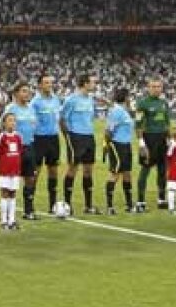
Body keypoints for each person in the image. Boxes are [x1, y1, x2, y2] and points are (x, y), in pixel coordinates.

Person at [62, 75, 100, 215]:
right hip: (75, 137)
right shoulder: (71, 99)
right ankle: (67, 205)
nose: (94, 84)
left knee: (88, 170)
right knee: (72, 169)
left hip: (89, 136)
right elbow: (62, 119)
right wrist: (68, 137)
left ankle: (88, 205)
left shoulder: (90, 99)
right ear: (85, 84)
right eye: (92, 82)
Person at [2, 82, 38, 220]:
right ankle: (10, 214)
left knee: (30, 179)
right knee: (13, 180)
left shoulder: (31, 109)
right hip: (15, 149)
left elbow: (34, 125)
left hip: (30, 146)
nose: (27, 94)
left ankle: (28, 210)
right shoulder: (11, 108)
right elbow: (2, 126)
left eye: (28, 91)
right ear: (16, 93)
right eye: (23, 91)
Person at [135, 77, 171, 212]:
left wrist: (170, 139)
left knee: (162, 171)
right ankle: (140, 201)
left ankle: (161, 199)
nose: (156, 89)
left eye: (158, 86)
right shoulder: (142, 103)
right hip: (149, 139)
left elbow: (167, 123)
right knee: (145, 169)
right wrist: (141, 143)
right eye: (153, 86)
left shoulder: (164, 103)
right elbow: (138, 124)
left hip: (162, 139)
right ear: (148, 88)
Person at [30, 74, 63, 214]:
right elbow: (31, 121)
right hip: (39, 139)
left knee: (53, 171)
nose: (49, 85)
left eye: (51, 82)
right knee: (35, 172)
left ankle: (52, 204)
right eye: (46, 83)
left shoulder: (56, 99)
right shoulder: (35, 102)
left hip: (53, 139)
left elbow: (58, 118)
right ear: (40, 85)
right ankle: (29, 203)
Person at [104, 86, 135, 215]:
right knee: (115, 173)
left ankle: (129, 204)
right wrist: (107, 145)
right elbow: (108, 130)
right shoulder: (116, 111)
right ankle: (110, 206)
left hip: (126, 144)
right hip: (117, 145)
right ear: (126, 98)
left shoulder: (123, 110)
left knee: (127, 173)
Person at [0, 113, 24, 231]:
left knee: (13, 194)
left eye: (14, 120)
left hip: (15, 171)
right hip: (4, 171)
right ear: (4, 123)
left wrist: (18, 168)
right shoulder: (1, 137)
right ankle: (3, 220)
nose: (12, 123)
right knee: (5, 193)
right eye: (9, 120)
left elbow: (19, 153)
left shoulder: (18, 137)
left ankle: (11, 220)